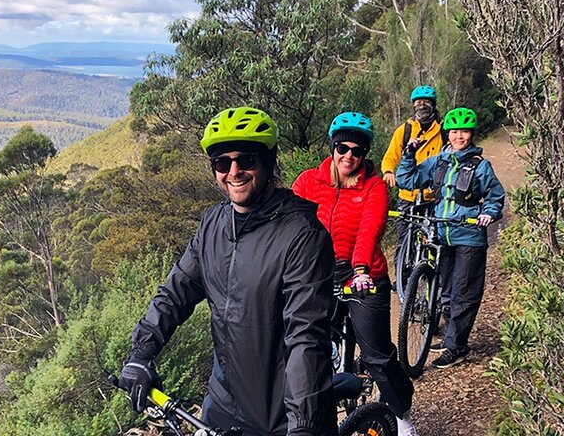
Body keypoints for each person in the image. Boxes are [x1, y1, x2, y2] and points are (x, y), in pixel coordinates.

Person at [118, 106, 338, 436]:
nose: (233, 171)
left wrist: (304, 424)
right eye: (222, 163)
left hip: (283, 416)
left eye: (246, 160)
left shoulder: (302, 234)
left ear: (267, 161)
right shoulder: (213, 225)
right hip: (222, 403)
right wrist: (141, 352)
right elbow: (176, 292)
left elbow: (306, 338)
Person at [292, 112, 418, 436]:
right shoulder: (308, 182)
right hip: (320, 277)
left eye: (357, 151)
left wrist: (360, 267)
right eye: (342, 148)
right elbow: (290, 226)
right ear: (332, 147)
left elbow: (370, 229)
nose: (349, 156)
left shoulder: (374, 186)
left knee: (377, 357)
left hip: (364, 277)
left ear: (365, 154)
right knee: (312, 348)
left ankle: (402, 415)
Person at [396, 107, 505, 369]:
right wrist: (409, 154)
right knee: (446, 290)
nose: (459, 136)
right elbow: (407, 179)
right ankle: (451, 336)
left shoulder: (480, 166)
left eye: (464, 131)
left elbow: (495, 196)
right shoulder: (439, 161)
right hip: (442, 233)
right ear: (448, 134)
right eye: (454, 131)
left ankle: (457, 346)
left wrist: (488, 213)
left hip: (469, 237)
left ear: (471, 134)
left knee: (463, 293)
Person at [381, 86, 444, 288]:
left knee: (434, 238)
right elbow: (391, 155)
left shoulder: (442, 129)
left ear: (433, 105)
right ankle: (402, 279)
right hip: (407, 195)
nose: (421, 105)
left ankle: (434, 281)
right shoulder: (405, 130)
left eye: (426, 102)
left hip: (433, 196)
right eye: (418, 102)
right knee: (403, 237)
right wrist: (388, 171)